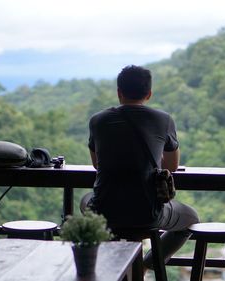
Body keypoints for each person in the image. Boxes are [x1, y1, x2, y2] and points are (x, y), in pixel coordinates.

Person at [80, 65, 199, 269]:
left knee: (85, 202)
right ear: (149, 94)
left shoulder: (97, 121)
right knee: (192, 220)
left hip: (105, 212)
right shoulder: (163, 120)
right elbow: (172, 165)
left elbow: (97, 164)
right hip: (147, 214)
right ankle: (145, 266)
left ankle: (117, 266)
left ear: (119, 93)